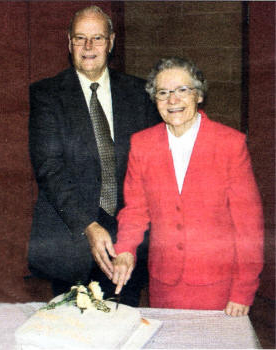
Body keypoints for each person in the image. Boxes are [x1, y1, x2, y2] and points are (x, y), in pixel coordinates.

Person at [100, 57, 264, 316]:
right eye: (163, 93)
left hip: (217, 285)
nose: (172, 100)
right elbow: (135, 210)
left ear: (198, 95)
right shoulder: (142, 145)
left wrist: (243, 290)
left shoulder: (230, 145)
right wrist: (125, 250)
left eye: (181, 90)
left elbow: (248, 227)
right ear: (155, 100)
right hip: (165, 283)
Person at [27, 5, 160, 306]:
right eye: (80, 38)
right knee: (73, 330)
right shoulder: (47, 95)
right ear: (69, 42)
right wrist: (89, 225)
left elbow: (152, 169)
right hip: (72, 237)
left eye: (97, 38)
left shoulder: (140, 94)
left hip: (127, 242)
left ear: (111, 42)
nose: (89, 47)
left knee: (123, 323)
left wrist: (130, 236)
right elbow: (49, 168)